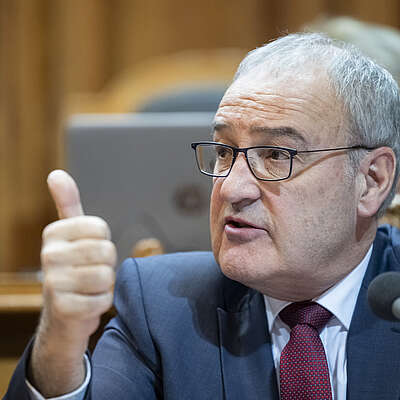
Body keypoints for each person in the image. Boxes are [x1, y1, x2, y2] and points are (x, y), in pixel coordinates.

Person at [5, 32, 400, 399]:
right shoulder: (161, 307)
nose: (231, 188)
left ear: (371, 180)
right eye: (224, 152)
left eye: (276, 155)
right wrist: (60, 343)